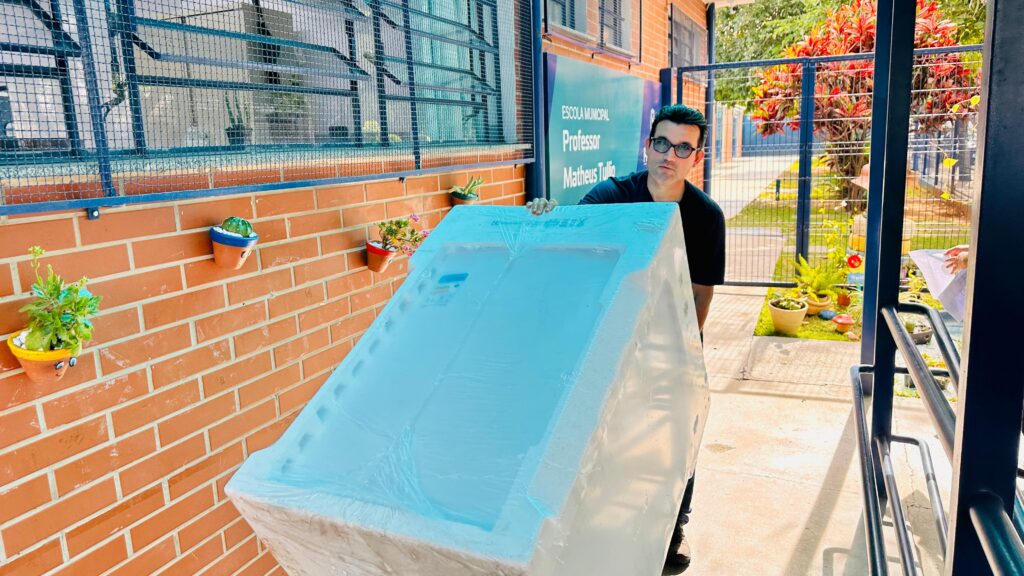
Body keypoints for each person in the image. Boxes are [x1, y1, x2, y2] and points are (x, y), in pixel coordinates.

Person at [527, 104, 726, 574]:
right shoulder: (615, 195)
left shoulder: (705, 217)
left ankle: (674, 526)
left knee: (681, 428)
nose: (669, 155)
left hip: (669, 340)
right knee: (607, 430)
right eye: (662, 143)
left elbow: (700, 296)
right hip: (611, 333)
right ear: (648, 145)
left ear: (695, 158)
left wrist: (681, 354)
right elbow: (571, 233)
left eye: (683, 148)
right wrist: (547, 215)